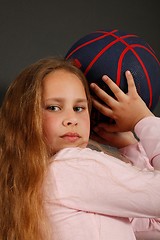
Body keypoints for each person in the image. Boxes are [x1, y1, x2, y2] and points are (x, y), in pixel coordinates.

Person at [0, 57, 159, 240]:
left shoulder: (33, 182)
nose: (71, 119)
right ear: (26, 118)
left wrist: (128, 145)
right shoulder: (72, 165)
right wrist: (142, 119)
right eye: (54, 107)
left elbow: (154, 224)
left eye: (79, 108)